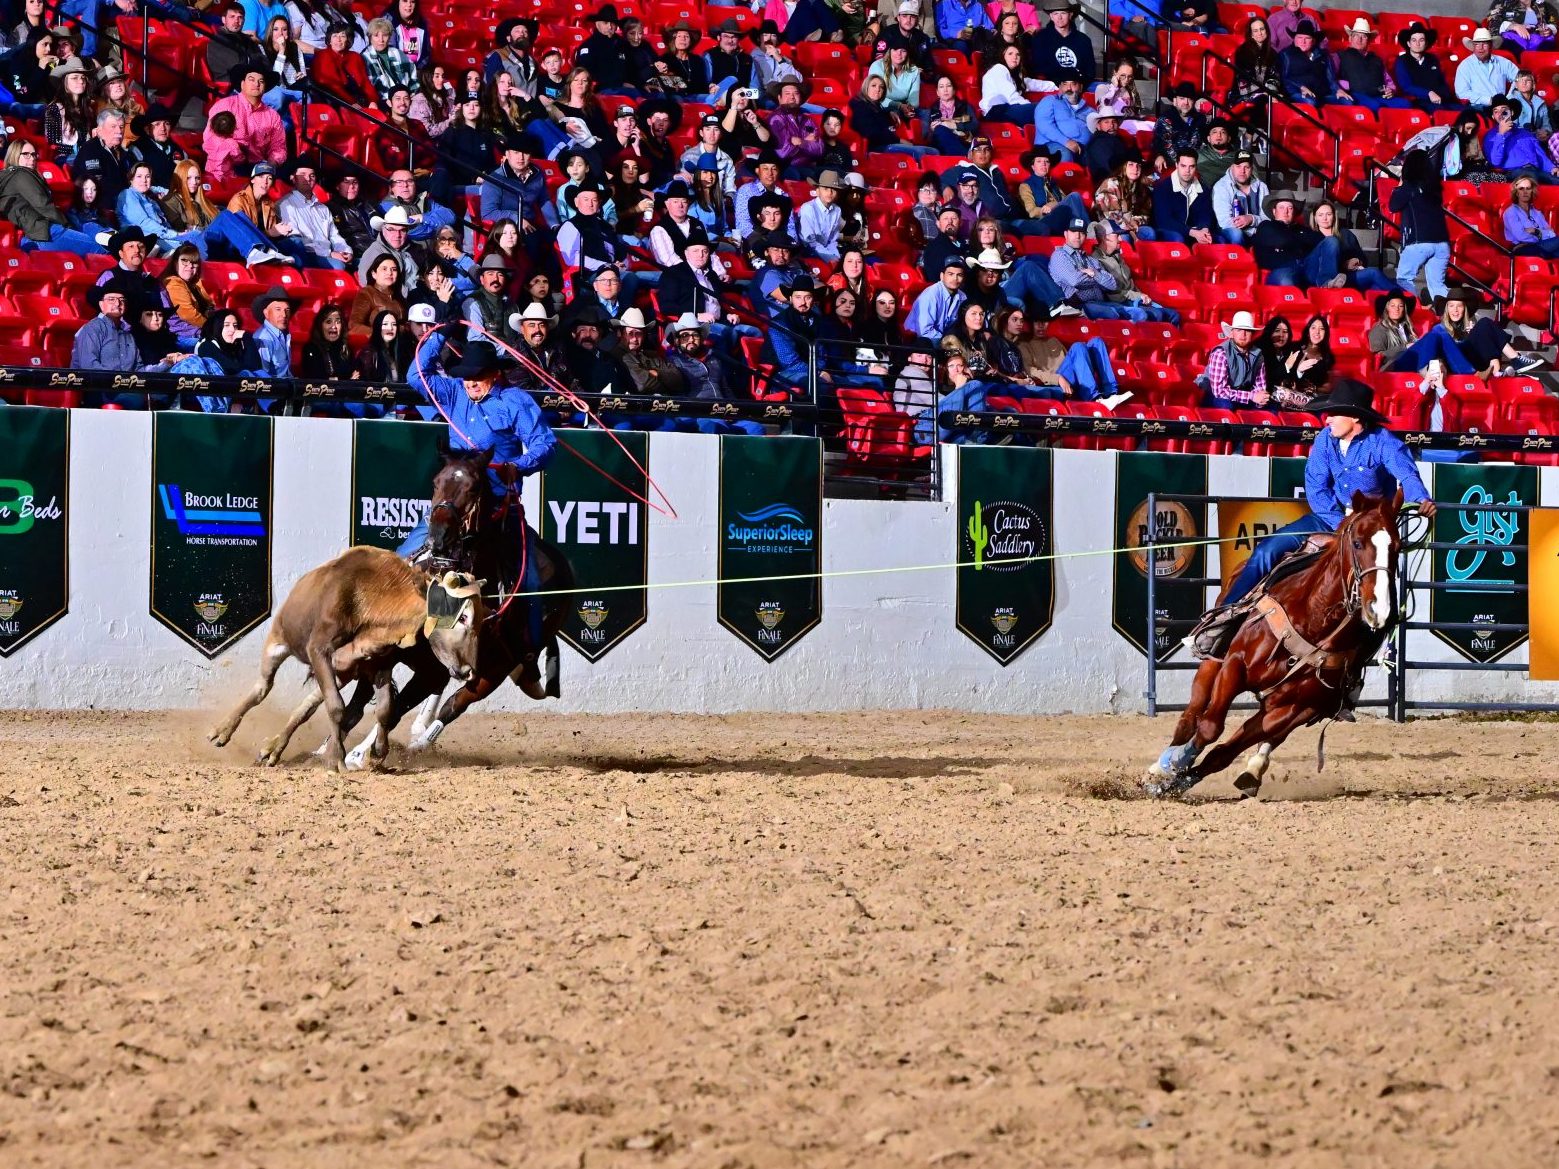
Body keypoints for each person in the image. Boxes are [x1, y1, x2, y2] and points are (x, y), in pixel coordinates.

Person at [1215, 379, 1432, 612]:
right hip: (1329, 517)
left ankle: (1381, 618)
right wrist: (1341, 524)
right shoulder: (1325, 439)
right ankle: (1224, 614)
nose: (1326, 420)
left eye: (1333, 414)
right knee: (1267, 550)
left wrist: (1421, 499)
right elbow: (1317, 488)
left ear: (1355, 417)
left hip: (1369, 524)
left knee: (1377, 571)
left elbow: (1406, 474)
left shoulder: (1383, 442)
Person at [1389, 287, 1544, 376]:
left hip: (1469, 359)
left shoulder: (1470, 326)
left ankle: (1511, 362)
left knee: (1484, 324)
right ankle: (1479, 373)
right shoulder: (1439, 328)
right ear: (1446, 309)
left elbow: (1485, 348)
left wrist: (1470, 335)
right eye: (1451, 306)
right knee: (1440, 331)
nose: (1455, 310)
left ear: (1465, 309)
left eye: (1459, 306)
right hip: (1447, 365)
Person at [0, 138, 107, 254]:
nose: (32, 158)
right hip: (45, 233)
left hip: (36, 235)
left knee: (94, 233)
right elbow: (43, 205)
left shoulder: (11, 177)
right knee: (101, 250)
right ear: (14, 155)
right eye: (26, 154)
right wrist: (68, 226)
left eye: (34, 154)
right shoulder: (20, 174)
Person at [1391, 150, 1450, 306]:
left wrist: (1399, 186)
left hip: (1419, 241)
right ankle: (1456, 317)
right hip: (1442, 243)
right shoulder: (1435, 190)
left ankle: (1414, 312)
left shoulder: (1409, 187)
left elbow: (1393, 206)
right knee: (1437, 285)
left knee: (1404, 278)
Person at [1089, 223, 1180, 322]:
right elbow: (1112, 293)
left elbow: (1130, 283)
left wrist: (1142, 296)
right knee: (1156, 315)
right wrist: (1138, 296)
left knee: (1174, 314)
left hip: (1135, 300)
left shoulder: (1117, 256)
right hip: (1122, 303)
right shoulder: (1096, 260)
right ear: (1104, 238)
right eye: (1117, 235)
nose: (1121, 239)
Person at [1303, 200, 1395, 291]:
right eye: (1320, 215)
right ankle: (1327, 283)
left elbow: (1362, 259)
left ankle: (1403, 297)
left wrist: (1357, 260)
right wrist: (1343, 265)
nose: (1325, 218)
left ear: (1334, 216)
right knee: (1331, 241)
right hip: (1315, 277)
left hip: (1341, 279)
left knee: (1374, 276)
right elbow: (1307, 263)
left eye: (1328, 214)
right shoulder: (1308, 235)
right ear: (1315, 217)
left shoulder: (1345, 234)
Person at [276, 161, 352, 268]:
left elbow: (334, 235)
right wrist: (329, 253)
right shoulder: (286, 205)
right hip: (307, 255)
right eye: (303, 175)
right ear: (293, 178)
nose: (308, 179)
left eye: (312, 175)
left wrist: (345, 251)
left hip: (328, 254)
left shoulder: (323, 208)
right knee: (339, 267)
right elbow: (296, 240)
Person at [1198, 309, 1269, 409]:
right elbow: (1219, 392)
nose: (1243, 334)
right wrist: (1252, 396)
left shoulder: (1258, 355)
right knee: (1226, 405)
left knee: (1271, 408)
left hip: (1243, 397)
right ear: (1232, 333)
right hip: (1216, 397)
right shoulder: (1221, 353)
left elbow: (1260, 386)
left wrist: (1261, 400)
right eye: (1239, 330)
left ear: (1252, 334)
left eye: (1247, 331)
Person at [1334, 19, 1406, 112]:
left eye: (1363, 36)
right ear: (1350, 38)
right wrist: (1346, 85)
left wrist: (1390, 90)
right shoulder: (1340, 55)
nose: (1359, 39)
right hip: (1355, 94)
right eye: (1356, 35)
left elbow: (1388, 82)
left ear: (1368, 41)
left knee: (1404, 104)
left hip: (1378, 95)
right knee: (1374, 106)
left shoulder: (1377, 59)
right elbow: (1331, 79)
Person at [1485, 94, 1559, 181]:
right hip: (1512, 173)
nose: (1501, 114)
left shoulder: (1526, 133)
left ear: (1511, 112)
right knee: (1530, 177)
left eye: (1504, 110)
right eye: (1496, 111)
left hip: (1535, 171)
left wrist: (1552, 168)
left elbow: (1540, 156)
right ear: (1493, 116)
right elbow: (1495, 162)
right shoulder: (1491, 136)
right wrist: (1501, 134)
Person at [1253, 193, 1318, 286]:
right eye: (1281, 207)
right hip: (1279, 272)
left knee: (1330, 242)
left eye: (1290, 208)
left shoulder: (1302, 229)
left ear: (1294, 212)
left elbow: (1320, 241)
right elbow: (1282, 240)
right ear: (1274, 211)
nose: (1285, 212)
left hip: (1304, 269)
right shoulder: (1266, 226)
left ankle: (1329, 284)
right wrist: (1302, 242)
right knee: (1287, 280)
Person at [1152, 150, 1216, 244]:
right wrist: (1193, 232)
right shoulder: (1162, 188)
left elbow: (1205, 214)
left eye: (1191, 166)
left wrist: (1204, 229)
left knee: (1218, 240)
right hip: (1167, 230)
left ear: (1196, 167)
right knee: (1179, 239)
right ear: (1176, 165)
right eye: (1183, 166)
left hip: (1193, 230)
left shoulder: (1203, 189)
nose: (1187, 171)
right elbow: (1164, 221)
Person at [71, 108, 129, 208]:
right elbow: (96, 182)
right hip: (102, 205)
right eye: (113, 126)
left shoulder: (122, 152)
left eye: (121, 127)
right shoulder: (90, 149)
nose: (119, 131)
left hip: (123, 199)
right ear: (100, 129)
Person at [1393, 23, 1455, 110]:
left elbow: (1442, 82)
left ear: (1426, 43)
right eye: (1414, 40)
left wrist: (1443, 95)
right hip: (1419, 102)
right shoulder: (1402, 61)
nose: (1417, 44)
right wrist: (1428, 93)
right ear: (1408, 43)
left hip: (1440, 99)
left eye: (1421, 40)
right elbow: (1406, 86)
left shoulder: (1433, 59)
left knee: (1468, 111)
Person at [1211, 151, 1268, 245]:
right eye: (1238, 166)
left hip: (1256, 231)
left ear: (1252, 168)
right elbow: (1224, 222)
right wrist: (1249, 230)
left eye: (1246, 167)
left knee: (1271, 231)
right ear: (1232, 167)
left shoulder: (1261, 187)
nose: (1242, 171)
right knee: (1236, 234)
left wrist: (1251, 219)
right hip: (1228, 231)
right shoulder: (1221, 186)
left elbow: (1267, 218)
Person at [905, 255, 968, 338]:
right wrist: (947, 343)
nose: (955, 278)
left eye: (959, 275)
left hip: (940, 338)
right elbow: (924, 331)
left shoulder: (962, 297)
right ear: (942, 276)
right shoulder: (931, 295)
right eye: (950, 274)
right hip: (916, 338)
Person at [1033, 69, 1088, 161]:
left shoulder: (1088, 109)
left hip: (1082, 148)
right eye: (1065, 84)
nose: (1069, 88)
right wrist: (1066, 142)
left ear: (1081, 87)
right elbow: (1044, 125)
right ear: (1059, 87)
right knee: (1064, 154)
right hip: (1050, 144)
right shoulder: (1050, 101)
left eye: (1073, 84)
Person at [1029, 0, 1093, 80]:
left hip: (1076, 86)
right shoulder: (1040, 39)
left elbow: (1090, 71)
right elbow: (1038, 70)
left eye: (1063, 13)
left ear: (1070, 15)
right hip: (1049, 87)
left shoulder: (1084, 40)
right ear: (1051, 16)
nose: (1059, 17)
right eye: (1056, 13)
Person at [1456, 27, 1517, 110]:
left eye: (1484, 44)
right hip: (1478, 107)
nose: (1480, 47)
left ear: (1490, 45)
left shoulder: (1502, 62)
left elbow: (1519, 78)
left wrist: (1510, 97)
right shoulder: (1465, 66)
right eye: (1477, 44)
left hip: (1502, 106)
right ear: (1473, 46)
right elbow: (1461, 93)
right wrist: (1488, 100)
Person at [1279, 20, 1337, 107]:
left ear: (1313, 41)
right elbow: (1283, 79)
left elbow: (1331, 78)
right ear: (1294, 39)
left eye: (1307, 38)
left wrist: (1338, 90)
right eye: (1300, 38)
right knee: (1311, 102)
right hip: (1298, 93)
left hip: (1322, 95)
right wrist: (1300, 87)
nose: (1303, 42)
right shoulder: (1286, 54)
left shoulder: (1323, 55)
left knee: (1347, 101)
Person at [1152, 82, 1206, 173]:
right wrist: (1159, 155)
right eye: (1182, 98)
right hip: (1172, 163)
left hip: (1196, 163)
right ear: (1175, 101)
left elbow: (1204, 143)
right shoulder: (1165, 119)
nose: (1186, 103)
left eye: (1190, 99)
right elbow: (1159, 143)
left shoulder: (1200, 119)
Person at [1503, 174, 1559, 256]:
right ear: (1516, 192)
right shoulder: (1511, 212)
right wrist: (1541, 234)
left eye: (1528, 188)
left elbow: (1551, 234)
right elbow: (1521, 237)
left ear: (1532, 191)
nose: (1525, 192)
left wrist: (1535, 231)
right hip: (1522, 249)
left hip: (1541, 246)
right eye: (1521, 189)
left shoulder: (1537, 213)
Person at [1368, 289, 1419, 368]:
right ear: (1387, 308)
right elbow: (1378, 357)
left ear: (1404, 309)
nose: (1397, 309)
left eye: (1400, 306)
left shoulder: (1408, 328)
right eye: (1393, 306)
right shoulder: (1379, 330)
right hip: (1391, 369)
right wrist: (1404, 347)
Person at [301, 304, 354, 378]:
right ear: (320, 325)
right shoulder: (311, 349)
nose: (334, 326)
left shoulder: (346, 349)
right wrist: (346, 379)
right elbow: (316, 379)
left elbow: (354, 376)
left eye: (338, 322)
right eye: (328, 322)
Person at [1491, 0, 1559, 53]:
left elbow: (1554, 21)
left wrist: (1549, 29)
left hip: (1538, 40)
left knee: (1548, 43)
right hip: (1514, 40)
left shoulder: (1542, 3)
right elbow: (1492, 24)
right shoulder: (1501, 2)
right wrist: (1512, 26)